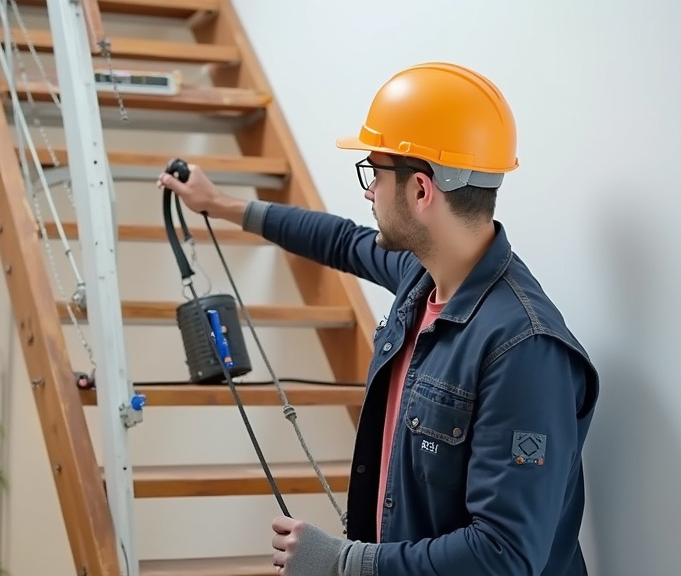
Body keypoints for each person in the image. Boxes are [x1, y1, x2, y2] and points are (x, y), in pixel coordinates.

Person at [157, 62, 600, 576]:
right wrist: (220, 204)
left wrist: (344, 563)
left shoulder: (524, 349)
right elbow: (341, 240)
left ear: (420, 190)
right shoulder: (423, 273)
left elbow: (504, 555)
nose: (368, 191)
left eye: (374, 171)